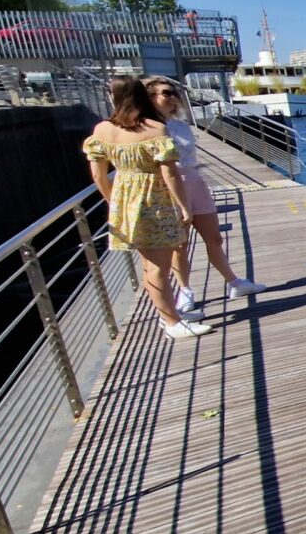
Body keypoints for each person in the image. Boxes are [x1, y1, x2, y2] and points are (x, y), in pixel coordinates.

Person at [82, 77, 210, 341]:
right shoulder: (154, 129)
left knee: (148, 264)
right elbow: (171, 174)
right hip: (156, 202)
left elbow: (98, 175)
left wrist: (114, 203)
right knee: (159, 268)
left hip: (126, 200)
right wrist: (184, 207)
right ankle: (171, 321)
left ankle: (169, 313)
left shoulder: (102, 130)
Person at [144, 77, 266, 306]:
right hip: (169, 185)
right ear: (150, 97)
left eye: (174, 93)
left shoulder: (181, 125)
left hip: (194, 181)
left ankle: (235, 283)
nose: (172, 97)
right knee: (180, 245)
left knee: (214, 238)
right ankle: (185, 291)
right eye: (166, 93)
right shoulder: (148, 128)